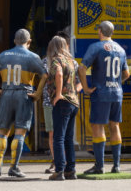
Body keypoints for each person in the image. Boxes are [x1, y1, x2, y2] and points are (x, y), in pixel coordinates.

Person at [0, 28, 47, 178]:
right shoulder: (33, 56)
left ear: (14, 41)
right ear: (29, 42)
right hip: (23, 96)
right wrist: (37, 93)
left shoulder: (4, 55)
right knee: (20, 132)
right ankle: (14, 167)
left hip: (6, 94)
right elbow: (44, 75)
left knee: (3, 131)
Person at [78, 20, 129, 175]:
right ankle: (117, 165)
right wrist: (115, 83)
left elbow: (81, 68)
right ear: (112, 32)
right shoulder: (121, 49)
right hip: (117, 93)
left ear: (100, 31)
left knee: (98, 126)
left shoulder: (95, 47)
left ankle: (99, 166)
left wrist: (86, 88)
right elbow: (126, 74)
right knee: (115, 126)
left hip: (101, 93)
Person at [47, 35, 79, 181]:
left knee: (58, 137)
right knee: (68, 138)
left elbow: (59, 74)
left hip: (63, 102)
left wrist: (58, 94)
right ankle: (70, 171)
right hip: (73, 102)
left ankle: (59, 171)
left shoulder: (56, 60)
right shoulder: (71, 61)